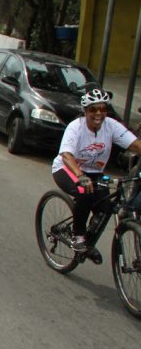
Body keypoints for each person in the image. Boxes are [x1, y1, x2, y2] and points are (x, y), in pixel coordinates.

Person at [52, 88, 141, 251]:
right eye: (93, 109)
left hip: (94, 172)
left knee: (105, 208)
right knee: (84, 191)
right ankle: (77, 236)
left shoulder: (111, 126)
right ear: (86, 111)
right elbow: (66, 155)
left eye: (103, 109)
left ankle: (88, 243)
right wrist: (80, 175)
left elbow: (135, 145)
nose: (98, 113)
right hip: (68, 169)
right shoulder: (75, 127)